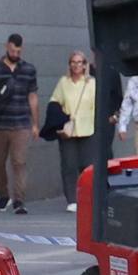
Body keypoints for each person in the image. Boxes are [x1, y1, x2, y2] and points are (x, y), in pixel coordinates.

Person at [0, 32, 40, 215]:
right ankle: (4, 196)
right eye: (13, 50)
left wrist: (35, 123)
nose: (16, 54)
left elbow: (33, 97)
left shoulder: (29, 70)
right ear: (7, 47)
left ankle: (19, 200)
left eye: (19, 51)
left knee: (19, 162)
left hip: (21, 124)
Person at [48, 50, 98, 212]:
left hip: (88, 128)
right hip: (69, 129)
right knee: (69, 164)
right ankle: (71, 199)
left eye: (80, 62)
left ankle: (87, 196)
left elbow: (97, 106)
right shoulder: (64, 83)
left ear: (85, 65)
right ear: (69, 65)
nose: (76, 65)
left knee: (87, 165)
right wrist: (62, 117)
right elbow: (54, 103)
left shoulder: (91, 83)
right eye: (73, 62)